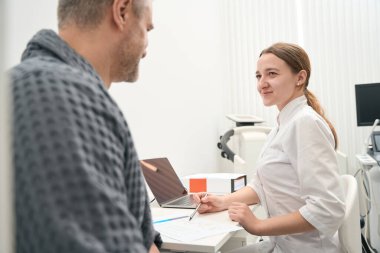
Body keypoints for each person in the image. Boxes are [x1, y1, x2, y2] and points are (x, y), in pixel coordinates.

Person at [10, 0, 162, 252]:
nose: (146, 48)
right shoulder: (57, 97)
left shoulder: (70, 95)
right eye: (147, 29)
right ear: (121, 11)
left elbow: (143, 241)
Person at [194, 42, 345, 253]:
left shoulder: (304, 122)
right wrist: (221, 202)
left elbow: (327, 209)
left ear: (300, 78)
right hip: (281, 245)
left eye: (271, 74)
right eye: (258, 76)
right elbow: (262, 186)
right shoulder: (282, 124)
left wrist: (258, 225)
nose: (262, 83)